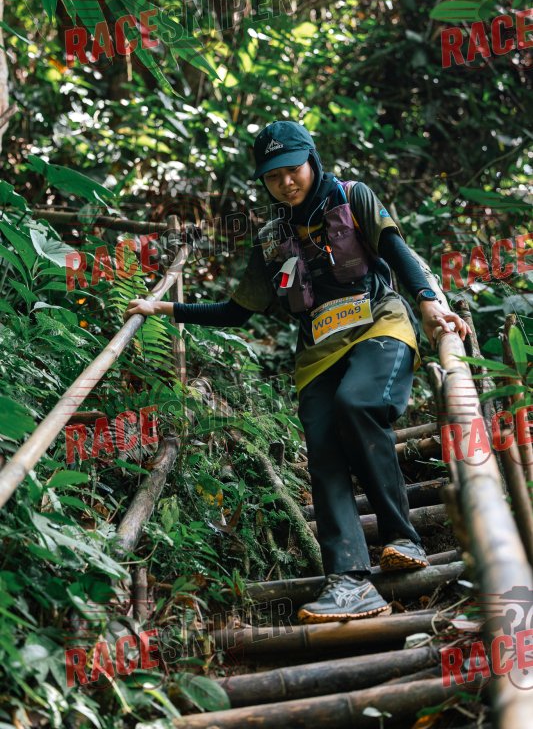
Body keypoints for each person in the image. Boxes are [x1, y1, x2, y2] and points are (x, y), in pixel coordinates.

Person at [124, 121, 471, 623]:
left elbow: (397, 251)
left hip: (381, 325)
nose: (286, 183)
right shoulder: (271, 238)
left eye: (293, 170)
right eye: (273, 176)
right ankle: (349, 582)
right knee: (325, 453)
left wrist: (428, 302)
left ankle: (402, 537)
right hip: (317, 354)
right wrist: (164, 309)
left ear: (312, 161)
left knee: (358, 403)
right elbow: (238, 312)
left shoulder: (353, 196)